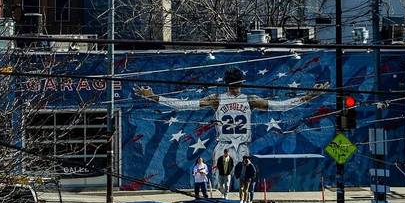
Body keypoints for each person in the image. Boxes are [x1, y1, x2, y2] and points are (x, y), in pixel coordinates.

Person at [135, 68, 325, 165]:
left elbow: (281, 106)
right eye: (235, 84)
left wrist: (309, 96)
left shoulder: (245, 100)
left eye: (236, 84)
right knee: (223, 182)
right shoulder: (222, 99)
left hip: (240, 145)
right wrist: (154, 97)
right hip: (225, 145)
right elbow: (185, 105)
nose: (235, 87)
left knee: (242, 181)